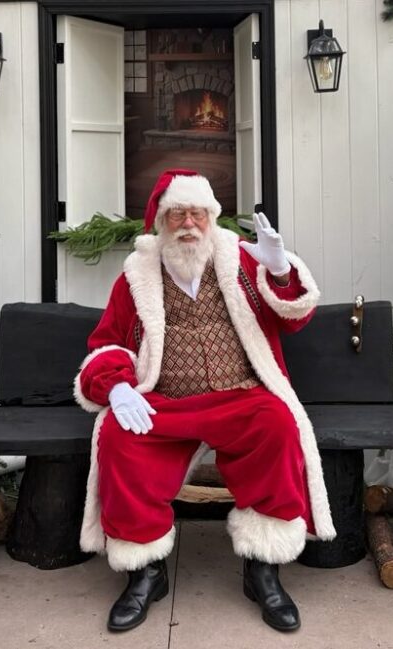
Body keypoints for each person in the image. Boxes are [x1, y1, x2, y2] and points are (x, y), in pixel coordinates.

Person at [73, 169, 335, 633]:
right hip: (166, 402)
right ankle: (145, 572)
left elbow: (294, 316)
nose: (188, 224)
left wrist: (279, 269)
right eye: (177, 214)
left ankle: (262, 569)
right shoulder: (137, 275)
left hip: (240, 396)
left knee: (277, 424)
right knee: (118, 436)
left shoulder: (242, 260)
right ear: (161, 221)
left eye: (197, 213)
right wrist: (116, 386)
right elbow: (107, 342)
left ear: (212, 218)